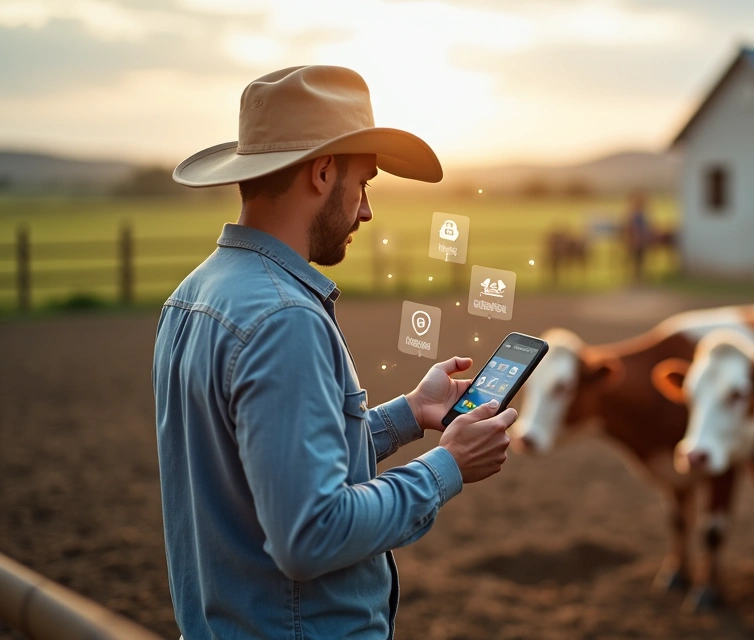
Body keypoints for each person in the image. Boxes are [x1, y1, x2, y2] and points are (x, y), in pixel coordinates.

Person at [153, 65, 515, 639]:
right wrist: (446, 467)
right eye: (364, 183)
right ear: (322, 173)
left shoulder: (193, 296)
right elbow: (311, 533)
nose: (367, 211)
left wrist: (408, 415)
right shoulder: (285, 318)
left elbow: (270, 464)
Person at [623, 191, 650, 282]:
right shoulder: (634, 214)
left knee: (640, 259)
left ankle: (638, 277)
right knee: (636, 259)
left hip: (640, 240)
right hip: (636, 240)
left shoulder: (640, 214)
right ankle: (635, 277)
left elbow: (645, 227)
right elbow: (632, 228)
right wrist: (634, 239)